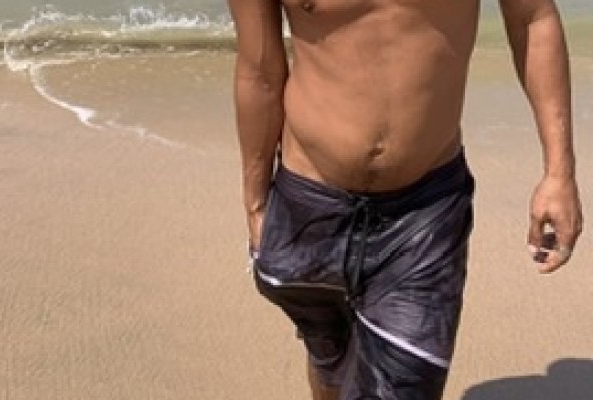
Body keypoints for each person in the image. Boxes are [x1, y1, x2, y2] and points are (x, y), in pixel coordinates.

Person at [227, 0, 583, 399]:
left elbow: (532, 20)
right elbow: (260, 71)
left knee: (405, 386)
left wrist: (559, 173)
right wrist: (256, 202)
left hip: (423, 211)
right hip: (309, 204)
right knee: (332, 360)